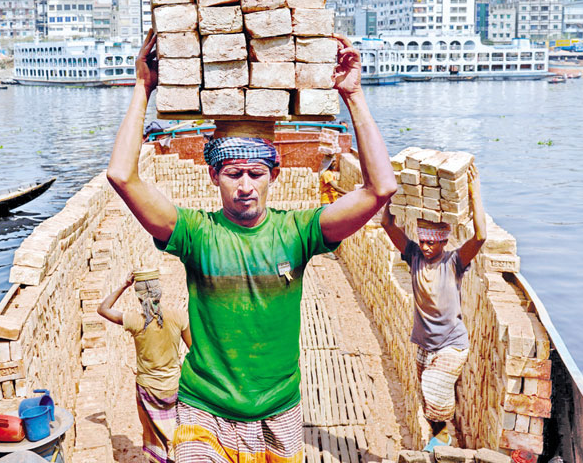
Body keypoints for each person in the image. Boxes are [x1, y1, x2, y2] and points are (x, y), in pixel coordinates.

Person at [107, 29, 396, 462]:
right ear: (213, 177)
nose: (245, 186)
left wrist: (353, 95)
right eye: (232, 174)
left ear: (273, 177)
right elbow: (122, 177)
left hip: (279, 412)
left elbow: (380, 189)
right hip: (204, 408)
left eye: (256, 174)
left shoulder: (299, 233)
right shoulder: (194, 234)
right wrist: (142, 88)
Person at [379, 165, 486, 451]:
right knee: (429, 403)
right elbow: (387, 224)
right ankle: (442, 438)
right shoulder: (413, 255)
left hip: (452, 344)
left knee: (435, 387)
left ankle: (443, 442)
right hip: (425, 344)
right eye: (423, 241)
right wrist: (392, 190)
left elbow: (480, 237)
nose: (426, 247)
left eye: (431, 243)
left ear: (443, 242)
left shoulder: (453, 262)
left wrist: (475, 193)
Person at [97, 271, 191, 463]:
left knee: (154, 436)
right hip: (173, 386)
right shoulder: (178, 317)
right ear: (160, 293)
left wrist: (124, 284)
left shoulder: (134, 321)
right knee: (175, 430)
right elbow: (193, 349)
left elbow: (103, 309)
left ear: (138, 296)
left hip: (147, 388)